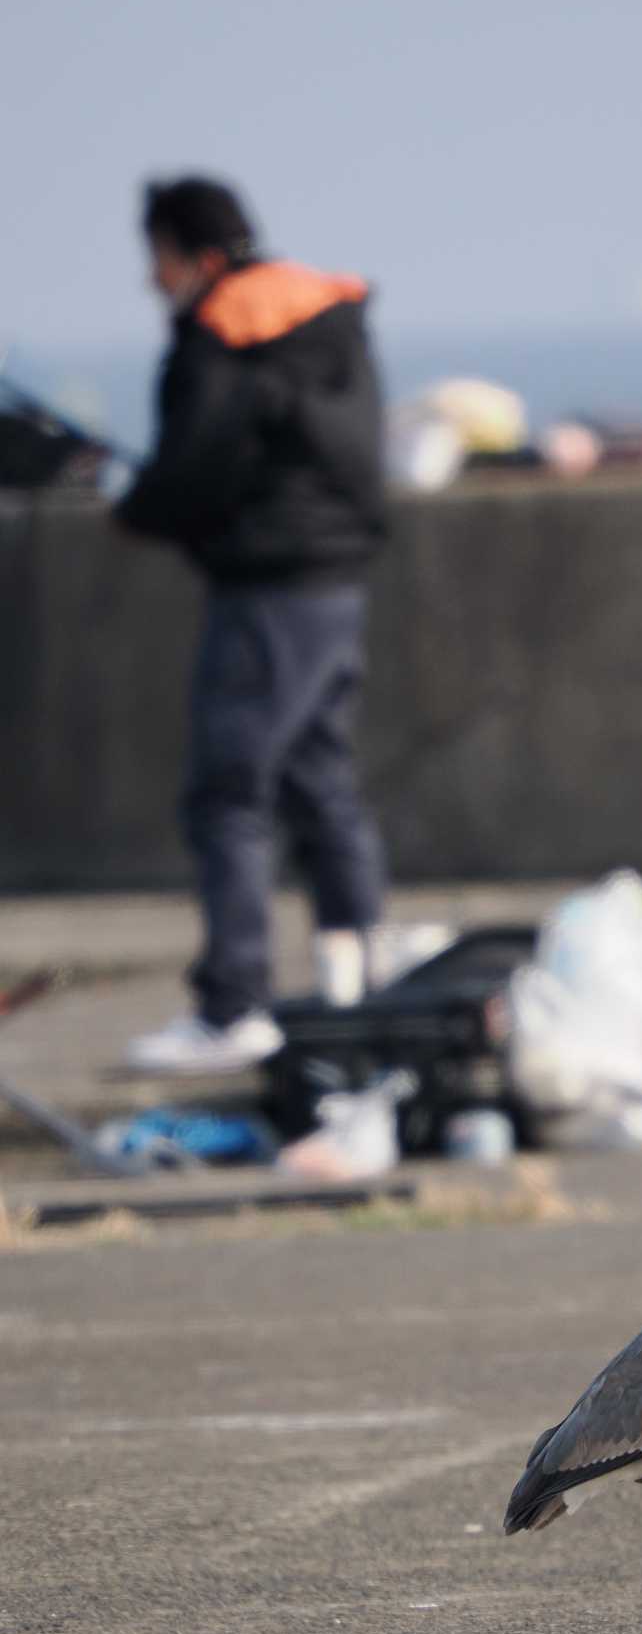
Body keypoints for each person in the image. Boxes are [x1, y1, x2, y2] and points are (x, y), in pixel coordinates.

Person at [115, 176, 389, 1072]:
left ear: (192, 257)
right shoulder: (328, 311)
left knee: (228, 793)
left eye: (154, 260)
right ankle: (359, 980)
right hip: (338, 576)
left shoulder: (222, 330)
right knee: (318, 777)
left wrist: (137, 505)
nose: (152, 282)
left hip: (268, 589)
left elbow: (192, 465)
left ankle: (234, 1007)